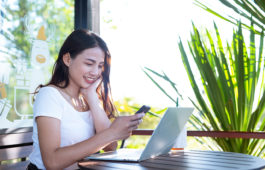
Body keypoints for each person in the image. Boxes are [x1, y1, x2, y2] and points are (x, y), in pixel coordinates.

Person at [27, 29, 145, 170]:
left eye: (100, 66)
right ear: (67, 59)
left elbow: (111, 146)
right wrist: (112, 132)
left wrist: (92, 98)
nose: (95, 72)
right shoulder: (49, 95)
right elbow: (52, 162)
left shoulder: (87, 99)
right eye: (89, 63)